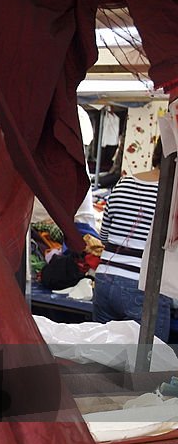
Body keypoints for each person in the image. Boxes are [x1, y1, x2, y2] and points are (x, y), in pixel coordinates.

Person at [93, 141, 172, 340]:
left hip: (105, 280)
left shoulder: (124, 183)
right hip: (143, 287)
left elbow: (104, 236)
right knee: (149, 362)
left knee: (103, 358)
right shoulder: (171, 194)